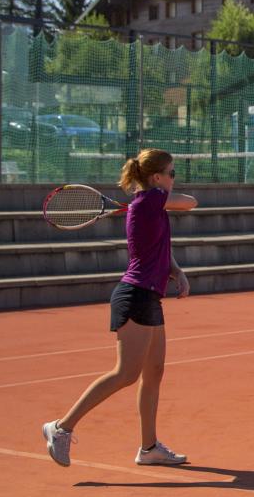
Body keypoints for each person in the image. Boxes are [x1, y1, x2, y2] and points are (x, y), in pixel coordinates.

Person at [42, 149, 197, 468]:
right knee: (126, 373)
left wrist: (176, 271)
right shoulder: (151, 200)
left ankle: (149, 447)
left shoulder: (149, 206)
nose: (173, 178)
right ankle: (61, 428)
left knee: (154, 372)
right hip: (135, 295)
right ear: (156, 178)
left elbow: (157, 250)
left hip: (150, 296)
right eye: (171, 173)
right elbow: (191, 201)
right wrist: (163, 195)